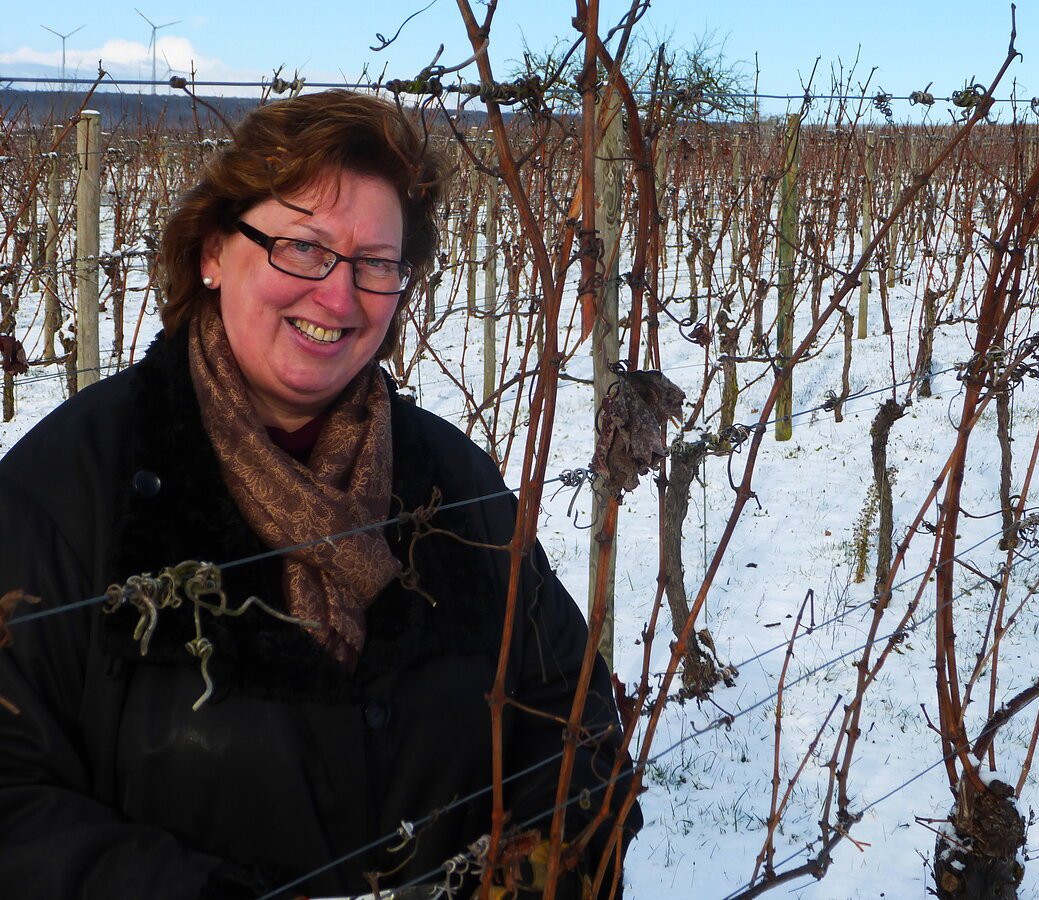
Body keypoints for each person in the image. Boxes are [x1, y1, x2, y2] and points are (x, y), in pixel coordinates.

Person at [0, 90, 640, 899]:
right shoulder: (65, 492)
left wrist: (532, 878)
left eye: (375, 264)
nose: (338, 298)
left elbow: (568, 713)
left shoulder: (453, 486)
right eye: (301, 247)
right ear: (210, 251)